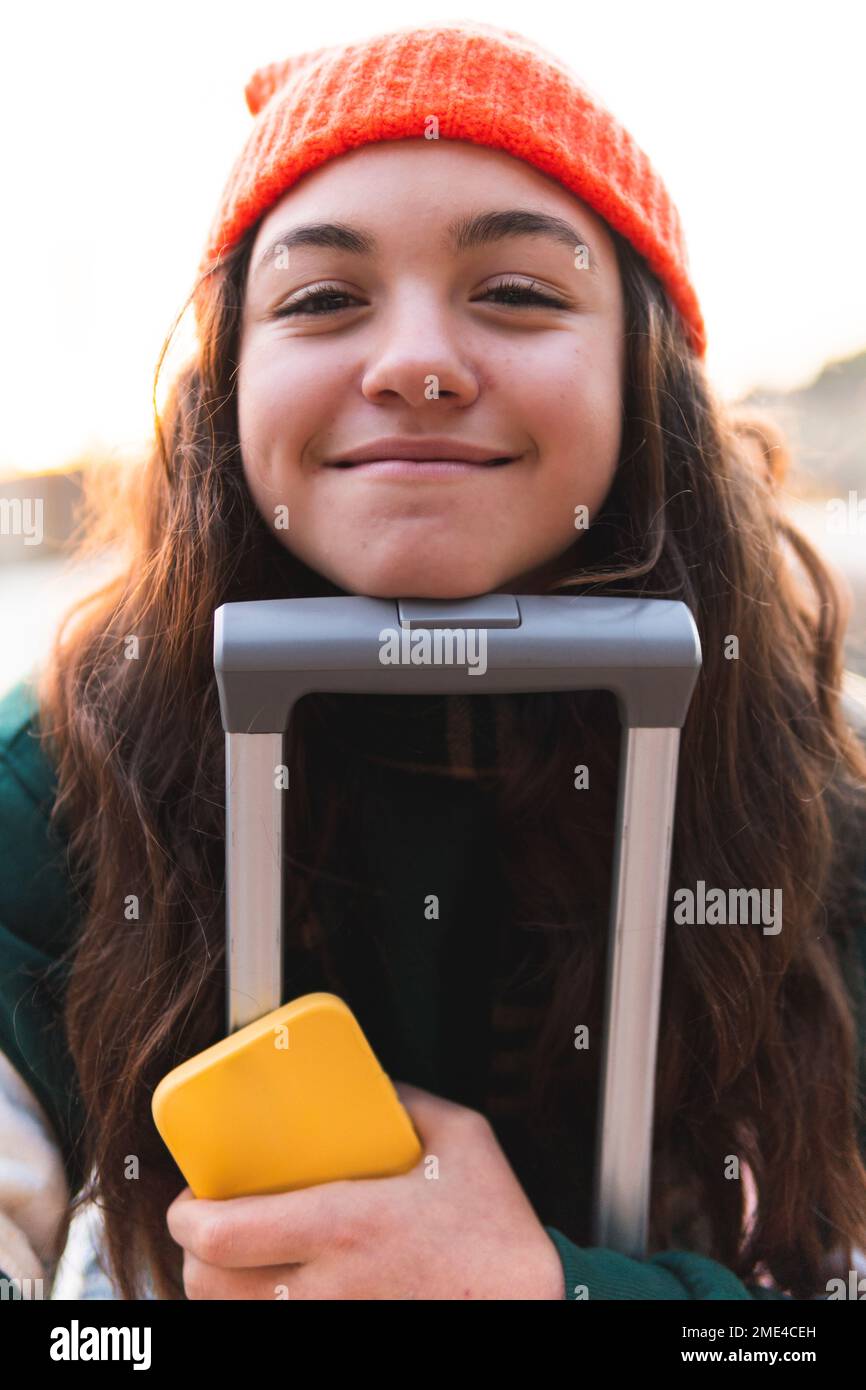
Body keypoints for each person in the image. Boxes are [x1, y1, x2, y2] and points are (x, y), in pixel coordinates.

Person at [1, 19, 865, 1302]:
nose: (412, 362)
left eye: (515, 292)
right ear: (226, 387)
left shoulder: (810, 790)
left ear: (643, 379)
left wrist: (550, 1290)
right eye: (321, 299)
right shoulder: (63, 779)